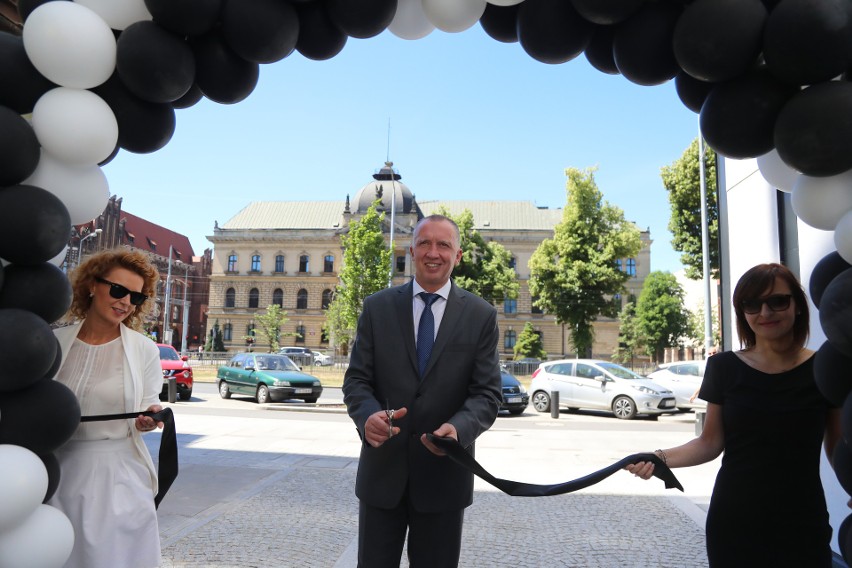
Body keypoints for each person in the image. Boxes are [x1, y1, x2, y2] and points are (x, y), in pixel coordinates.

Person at [627, 263, 842, 566]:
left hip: (803, 518)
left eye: (777, 301)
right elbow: (709, 443)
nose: (765, 313)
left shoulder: (825, 369)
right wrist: (656, 457)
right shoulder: (724, 368)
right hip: (736, 519)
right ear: (742, 312)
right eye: (752, 304)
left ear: (798, 306)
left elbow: (838, 448)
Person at [342, 214, 502, 568]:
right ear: (411, 251)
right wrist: (367, 416)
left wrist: (459, 429)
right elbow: (356, 381)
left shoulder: (481, 316)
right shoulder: (377, 308)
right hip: (382, 476)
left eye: (444, 244)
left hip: (444, 479)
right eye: (425, 243)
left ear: (457, 255)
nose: (434, 252)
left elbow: (487, 394)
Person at [49, 248, 164, 568]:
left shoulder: (144, 350)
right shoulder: (54, 342)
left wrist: (148, 419)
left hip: (118, 481)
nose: (126, 302)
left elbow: (148, 406)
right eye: (118, 290)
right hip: (55, 475)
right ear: (91, 285)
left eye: (136, 298)